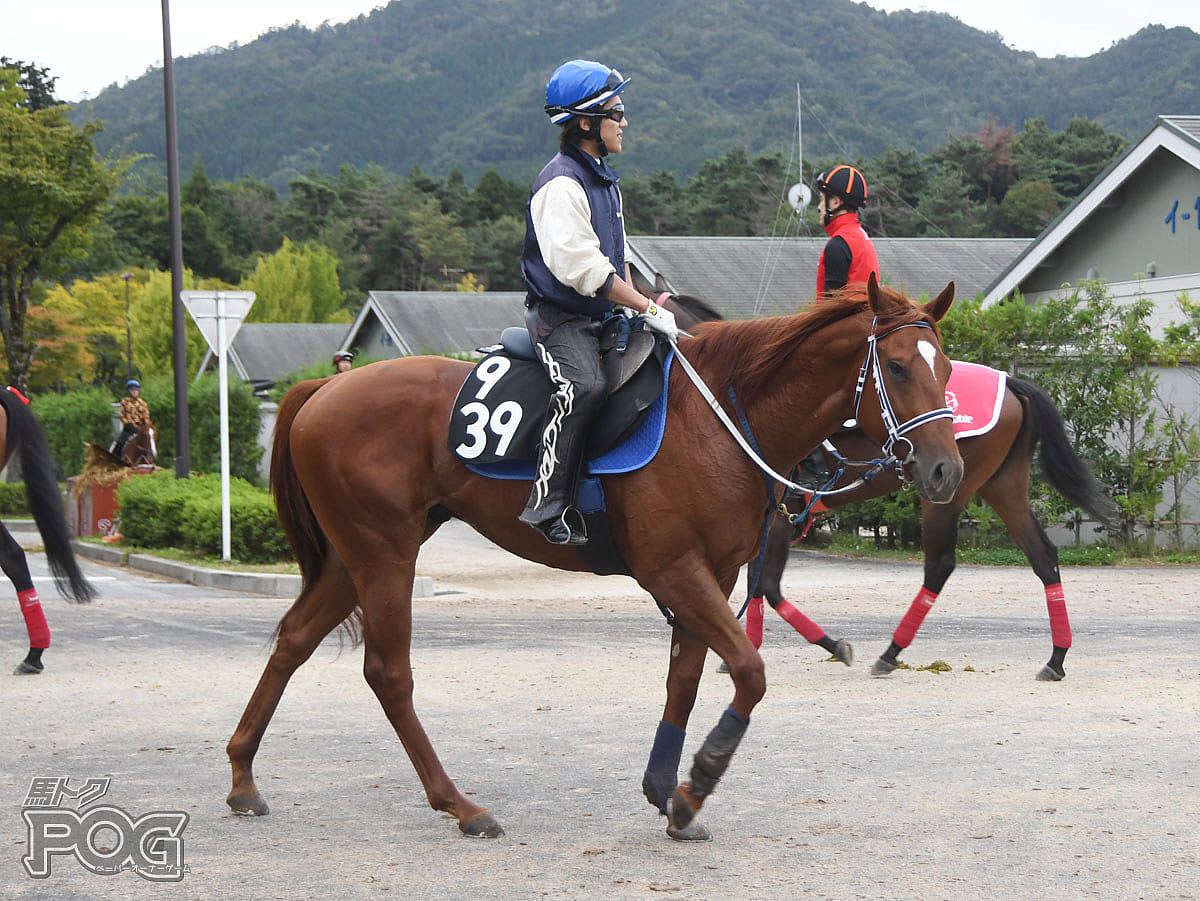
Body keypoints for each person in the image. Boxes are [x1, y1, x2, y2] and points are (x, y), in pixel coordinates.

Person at [519, 58, 680, 546]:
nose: (624, 122)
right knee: (585, 388)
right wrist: (646, 307)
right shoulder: (561, 183)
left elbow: (619, 259)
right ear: (587, 123)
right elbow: (585, 270)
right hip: (560, 321)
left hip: (604, 314)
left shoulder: (603, 180)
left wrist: (641, 307)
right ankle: (547, 505)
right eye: (618, 112)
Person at [814, 164, 879, 299]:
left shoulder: (838, 244)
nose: (819, 207)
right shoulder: (861, 236)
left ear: (836, 202)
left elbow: (831, 307)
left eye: (822, 200)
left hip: (849, 320)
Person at [111, 379, 151, 458]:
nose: (135, 392)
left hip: (140, 429)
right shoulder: (124, 402)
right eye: (132, 390)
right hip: (129, 428)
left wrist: (145, 425)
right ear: (129, 391)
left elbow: (146, 416)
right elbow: (121, 414)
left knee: (149, 442)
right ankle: (115, 458)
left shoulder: (142, 403)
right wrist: (127, 423)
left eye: (136, 390)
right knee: (120, 443)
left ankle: (151, 458)